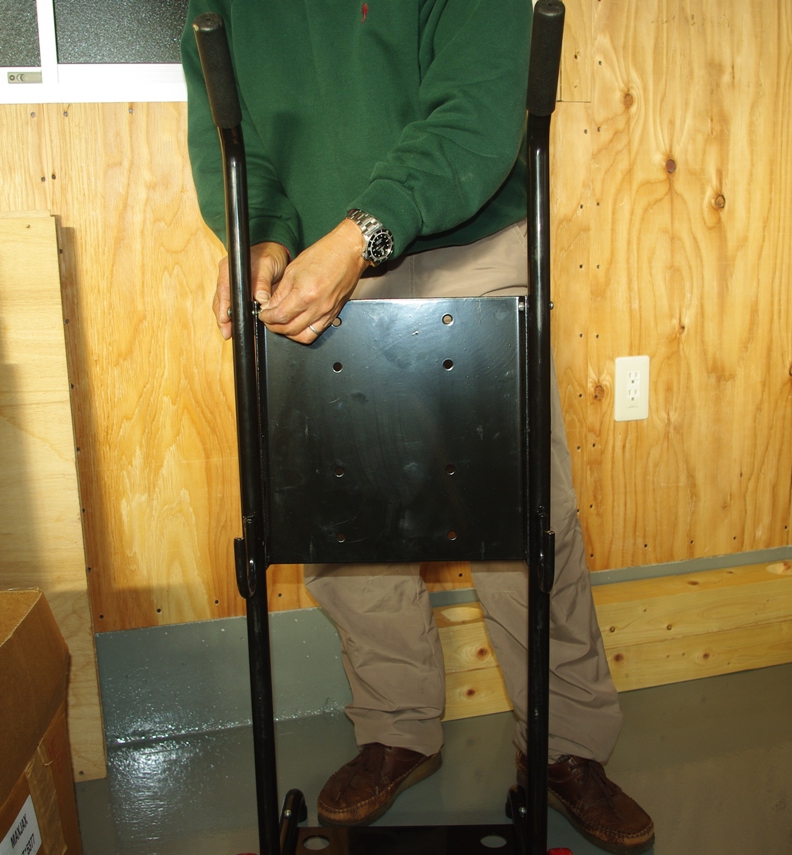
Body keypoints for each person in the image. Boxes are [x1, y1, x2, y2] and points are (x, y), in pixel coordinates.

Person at [182, 2, 654, 852]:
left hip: (466, 236)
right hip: (311, 256)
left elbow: (476, 111)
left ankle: (566, 744)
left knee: (519, 511)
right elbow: (233, 127)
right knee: (341, 509)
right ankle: (396, 725)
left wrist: (363, 232)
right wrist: (262, 237)